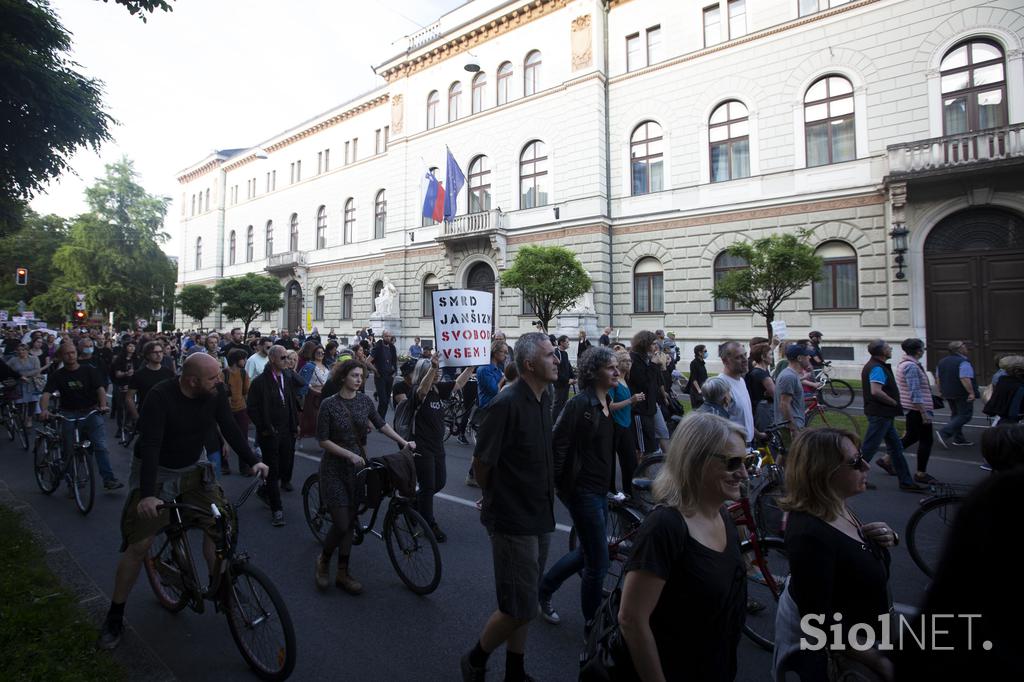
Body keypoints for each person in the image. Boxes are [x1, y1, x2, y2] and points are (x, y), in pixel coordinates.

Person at [96, 353, 269, 650]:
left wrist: (253, 460)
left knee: (219, 525)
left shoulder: (212, 394)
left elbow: (229, 427)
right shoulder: (160, 397)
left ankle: (220, 586)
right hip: (158, 472)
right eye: (214, 377)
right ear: (192, 381)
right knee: (139, 546)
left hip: (192, 468)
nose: (220, 382)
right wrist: (148, 493)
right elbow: (150, 446)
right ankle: (115, 614)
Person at [618, 413, 749, 682]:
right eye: (733, 463)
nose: (744, 473)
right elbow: (632, 619)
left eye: (747, 462)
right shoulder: (665, 526)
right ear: (696, 461)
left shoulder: (722, 515)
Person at [461, 332, 558, 682]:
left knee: (526, 602)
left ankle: (515, 669)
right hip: (512, 518)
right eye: (550, 355)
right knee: (517, 605)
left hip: (540, 512)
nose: (557, 360)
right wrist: (494, 497)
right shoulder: (506, 403)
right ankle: (474, 659)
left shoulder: (543, 399)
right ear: (530, 364)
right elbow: (482, 463)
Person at [775, 428, 897, 681]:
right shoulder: (809, 533)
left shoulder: (837, 507)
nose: (866, 466)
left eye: (861, 456)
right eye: (854, 462)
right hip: (848, 659)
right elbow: (818, 618)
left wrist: (886, 537)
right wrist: (877, 660)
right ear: (824, 471)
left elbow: (852, 557)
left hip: (870, 633)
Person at [315, 359, 414, 594]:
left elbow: (381, 424)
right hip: (334, 468)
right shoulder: (329, 405)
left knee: (350, 522)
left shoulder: (364, 401)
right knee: (341, 523)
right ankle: (323, 561)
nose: (360, 380)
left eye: (362, 376)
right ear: (342, 378)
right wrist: (348, 454)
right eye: (355, 376)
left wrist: (403, 442)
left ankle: (343, 572)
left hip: (358, 468)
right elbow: (322, 440)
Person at [539, 346, 619, 627]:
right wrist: (563, 486)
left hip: (598, 489)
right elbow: (557, 444)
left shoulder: (606, 400)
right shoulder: (580, 404)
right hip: (581, 490)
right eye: (611, 367)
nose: (617, 371)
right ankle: (593, 625)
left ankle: (544, 590)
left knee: (587, 553)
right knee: (598, 563)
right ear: (594, 372)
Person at [39, 344, 123, 491]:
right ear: (61, 357)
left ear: (77, 354)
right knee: (69, 449)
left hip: (90, 411)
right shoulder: (58, 375)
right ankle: (72, 481)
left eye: (73, 352)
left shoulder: (88, 370)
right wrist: (44, 409)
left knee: (101, 446)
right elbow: (46, 393)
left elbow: (100, 389)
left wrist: (103, 405)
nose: (70, 356)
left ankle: (109, 479)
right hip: (68, 413)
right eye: (66, 354)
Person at [409, 354, 474, 541]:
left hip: (437, 446)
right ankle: (428, 524)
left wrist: (470, 368)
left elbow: (458, 384)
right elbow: (423, 388)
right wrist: (433, 368)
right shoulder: (418, 392)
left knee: (440, 482)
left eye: (437, 371)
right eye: (432, 371)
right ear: (424, 372)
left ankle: (415, 502)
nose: (437, 374)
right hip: (421, 446)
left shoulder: (437, 389)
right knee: (428, 486)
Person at [860, 340, 924, 492]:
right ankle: (852, 476)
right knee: (870, 448)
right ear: (882, 352)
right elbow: (876, 391)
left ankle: (906, 481)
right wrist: (894, 402)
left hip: (883, 414)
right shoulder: (877, 367)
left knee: (896, 448)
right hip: (881, 413)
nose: (891, 349)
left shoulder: (876, 365)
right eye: (888, 348)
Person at [247, 346, 298, 526]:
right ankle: (277, 509)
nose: (287, 361)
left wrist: (294, 425)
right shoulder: (260, 382)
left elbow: (291, 402)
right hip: (270, 433)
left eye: (288, 357)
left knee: (286, 466)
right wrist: (264, 427)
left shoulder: (287, 377)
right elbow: (251, 407)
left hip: (286, 430)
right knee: (273, 470)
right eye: (283, 358)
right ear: (273, 359)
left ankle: (264, 490)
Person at [895, 338, 940, 484]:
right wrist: (923, 412)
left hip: (913, 407)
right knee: (926, 440)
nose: (924, 350)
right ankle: (921, 473)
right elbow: (915, 391)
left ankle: (888, 459)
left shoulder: (908, 364)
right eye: (922, 348)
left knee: (912, 436)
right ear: (918, 351)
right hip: (917, 408)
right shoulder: (911, 366)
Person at [467, 341, 508, 487]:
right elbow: (495, 390)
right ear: (495, 352)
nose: (506, 354)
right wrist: (505, 378)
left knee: (495, 445)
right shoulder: (484, 369)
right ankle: (472, 475)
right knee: (484, 446)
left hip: (496, 409)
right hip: (486, 410)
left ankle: (491, 475)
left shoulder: (497, 368)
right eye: (503, 351)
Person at [609, 349, 643, 498]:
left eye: (630, 361)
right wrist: (631, 400)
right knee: (610, 462)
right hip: (615, 425)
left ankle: (631, 493)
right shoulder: (614, 382)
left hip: (626, 424)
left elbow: (627, 405)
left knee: (630, 462)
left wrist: (634, 401)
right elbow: (609, 406)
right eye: (625, 361)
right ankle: (611, 492)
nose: (629, 364)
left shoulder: (625, 380)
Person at [936, 340, 978, 446]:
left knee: (955, 415)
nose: (966, 347)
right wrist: (971, 392)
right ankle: (944, 432)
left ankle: (958, 438)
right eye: (964, 346)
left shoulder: (942, 361)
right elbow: (965, 378)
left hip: (948, 392)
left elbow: (938, 378)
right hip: (961, 392)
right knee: (965, 415)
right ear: (959, 349)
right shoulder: (963, 362)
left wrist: (940, 390)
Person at [628, 330, 662, 456]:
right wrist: (653, 364)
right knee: (643, 448)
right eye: (653, 344)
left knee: (654, 439)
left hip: (650, 407)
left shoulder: (646, 358)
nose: (655, 346)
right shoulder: (634, 359)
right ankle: (639, 473)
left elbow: (654, 381)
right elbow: (643, 383)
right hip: (640, 409)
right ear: (644, 344)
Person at [719, 341, 756, 446]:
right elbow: (718, 424)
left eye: (745, 355)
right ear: (725, 361)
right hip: (734, 449)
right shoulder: (721, 386)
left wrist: (757, 434)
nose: (745, 360)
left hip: (748, 445)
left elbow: (742, 417)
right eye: (738, 357)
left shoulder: (741, 381)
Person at [222, 348, 251, 476]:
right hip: (227, 409)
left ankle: (244, 467)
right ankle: (224, 465)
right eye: (243, 358)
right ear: (236, 360)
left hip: (241, 409)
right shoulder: (224, 373)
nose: (245, 361)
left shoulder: (244, 373)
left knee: (243, 438)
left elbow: (246, 390)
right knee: (224, 438)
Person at [774, 344, 810, 439]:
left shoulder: (793, 375)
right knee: (790, 454)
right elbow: (784, 404)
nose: (809, 357)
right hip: (789, 428)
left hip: (794, 425)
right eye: (806, 356)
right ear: (799, 358)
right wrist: (793, 429)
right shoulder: (788, 377)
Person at [7, 342, 45, 427]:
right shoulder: (13, 360)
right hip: (18, 383)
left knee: (32, 401)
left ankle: (29, 419)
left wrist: (26, 375)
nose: (21, 352)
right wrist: (19, 376)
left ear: (27, 350)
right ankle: (20, 418)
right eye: (19, 350)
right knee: (19, 402)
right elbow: (8, 369)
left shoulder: (34, 358)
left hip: (31, 382)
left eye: (23, 350)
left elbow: (37, 370)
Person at [298, 345, 331, 440]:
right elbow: (305, 382)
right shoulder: (309, 365)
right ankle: (303, 435)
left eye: (322, 353)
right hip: (313, 395)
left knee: (324, 417)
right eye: (318, 352)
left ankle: (323, 437)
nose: (320, 354)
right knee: (312, 418)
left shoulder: (326, 366)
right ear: (314, 354)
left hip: (324, 394)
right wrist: (314, 391)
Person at [983, 356, 1024, 425]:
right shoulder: (1016, 385)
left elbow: (995, 401)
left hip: (1005, 418)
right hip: (1014, 418)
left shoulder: (1003, 380)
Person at [746, 343, 776, 434]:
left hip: (761, 407)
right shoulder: (760, 373)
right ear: (763, 357)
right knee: (767, 436)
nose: (772, 357)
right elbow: (775, 394)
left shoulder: (761, 370)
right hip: (763, 409)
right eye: (770, 354)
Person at [370, 330, 398, 420]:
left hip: (389, 377)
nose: (388, 338)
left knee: (386, 401)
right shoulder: (378, 347)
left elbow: (394, 361)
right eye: (386, 336)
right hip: (380, 377)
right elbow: (367, 361)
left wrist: (394, 372)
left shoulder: (392, 347)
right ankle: (379, 421)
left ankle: (381, 419)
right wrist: (376, 371)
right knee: (383, 401)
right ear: (382, 337)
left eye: (389, 336)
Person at [552, 335, 574, 419]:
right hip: (560, 383)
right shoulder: (556, 353)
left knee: (564, 403)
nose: (569, 344)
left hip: (566, 383)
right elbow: (557, 370)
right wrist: (567, 380)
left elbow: (568, 367)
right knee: (558, 403)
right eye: (567, 342)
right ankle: (553, 423)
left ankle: (560, 421)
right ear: (561, 342)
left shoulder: (565, 353)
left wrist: (573, 377)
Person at [687, 345, 709, 411]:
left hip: (703, 390)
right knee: (697, 411)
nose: (706, 353)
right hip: (696, 392)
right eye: (705, 351)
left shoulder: (702, 363)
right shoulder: (694, 363)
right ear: (699, 353)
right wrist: (699, 390)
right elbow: (694, 379)